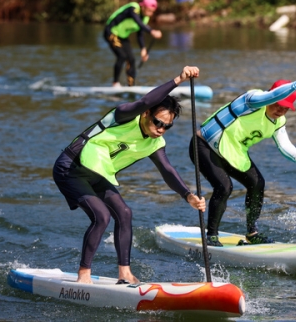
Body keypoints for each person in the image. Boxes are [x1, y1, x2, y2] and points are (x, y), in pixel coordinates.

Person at [53, 66, 206, 284]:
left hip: (97, 174)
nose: (161, 128)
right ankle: (83, 275)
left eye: (167, 126)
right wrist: (179, 79)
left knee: (124, 213)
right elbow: (144, 101)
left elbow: (168, 170)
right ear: (146, 114)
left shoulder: (155, 143)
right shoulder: (123, 116)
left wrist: (188, 195)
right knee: (102, 217)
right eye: (158, 122)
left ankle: (124, 273)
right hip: (70, 168)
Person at [189, 74, 296, 246]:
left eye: (285, 108)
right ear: (271, 97)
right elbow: (271, 97)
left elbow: (283, 143)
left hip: (232, 152)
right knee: (224, 187)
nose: (280, 110)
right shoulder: (252, 101)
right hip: (204, 146)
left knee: (257, 183)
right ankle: (211, 236)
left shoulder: (278, 121)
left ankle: (252, 233)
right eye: (278, 104)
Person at [104, 0, 163, 87]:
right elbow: (138, 22)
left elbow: (140, 33)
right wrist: (152, 31)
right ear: (143, 7)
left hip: (123, 37)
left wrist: (143, 49)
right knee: (122, 56)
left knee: (131, 59)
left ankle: (131, 86)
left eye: (152, 12)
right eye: (149, 10)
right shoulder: (133, 8)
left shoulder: (145, 18)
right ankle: (115, 83)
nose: (150, 13)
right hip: (111, 32)